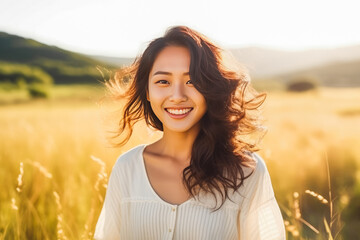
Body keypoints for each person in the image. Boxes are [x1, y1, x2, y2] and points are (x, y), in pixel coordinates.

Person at [94, 26, 286, 240]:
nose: (177, 96)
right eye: (163, 81)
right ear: (147, 91)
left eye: (192, 81)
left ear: (211, 88)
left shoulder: (247, 171)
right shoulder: (127, 169)